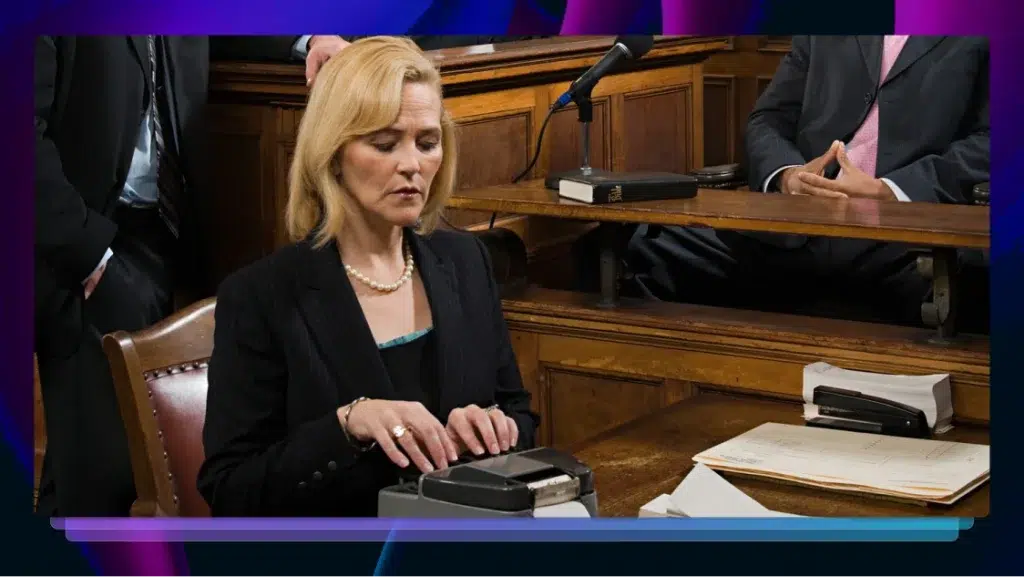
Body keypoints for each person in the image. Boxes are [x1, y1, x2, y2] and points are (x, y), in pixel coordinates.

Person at [197, 36, 539, 517]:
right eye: (384, 144)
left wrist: (496, 427)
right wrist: (344, 426)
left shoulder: (466, 261)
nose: (411, 165)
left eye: (427, 143)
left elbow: (520, 413)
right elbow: (230, 491)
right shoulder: (261, 296)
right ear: (333, 152)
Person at [34, 34, 348, 517]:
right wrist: (88, 252)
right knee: (104, 475)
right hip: (83, 246)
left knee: (101, 464)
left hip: (168, 232)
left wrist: (308, 42)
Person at [623, 35, 990, 329]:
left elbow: (995, 140)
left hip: (904, 240)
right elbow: (766, 119)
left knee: (979, 284)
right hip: (797, 227)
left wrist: (889, 189)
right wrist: (787, 175)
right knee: (642, 246)